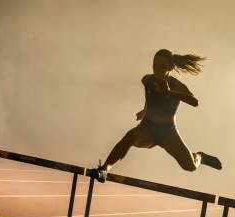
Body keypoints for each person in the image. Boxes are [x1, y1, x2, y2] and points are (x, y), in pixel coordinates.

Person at [91, 49, 222, 183]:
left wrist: (169, 92)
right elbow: (150, 96)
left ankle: (200, 157)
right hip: (147, 128)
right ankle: (104, 169)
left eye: (161, 66)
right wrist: (145, 110)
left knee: (190, 167)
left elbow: (195, 102)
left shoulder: (176, 85)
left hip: (168, 132)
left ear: (170, 68)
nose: (157, 69)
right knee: (130, 136)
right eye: (155, 65)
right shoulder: (146, 80)